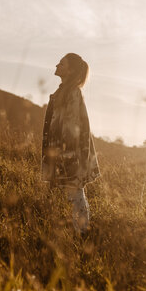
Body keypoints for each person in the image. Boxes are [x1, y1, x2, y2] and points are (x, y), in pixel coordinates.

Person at [41, 53, 100, 234]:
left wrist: (65, 155)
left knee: (75, 194)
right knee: (65, 195)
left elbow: (71, 128)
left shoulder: (73, 93)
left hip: (69, 154)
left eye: (62, 63)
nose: (57, 64)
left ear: (71, 70)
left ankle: (82, 234)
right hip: (59, 153)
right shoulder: (61, 92)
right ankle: (67, 234)